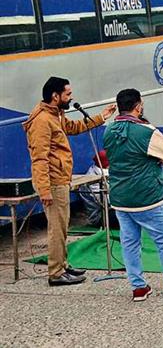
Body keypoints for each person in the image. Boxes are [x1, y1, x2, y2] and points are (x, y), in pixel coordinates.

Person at [103, 88, 163, 302]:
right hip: (147, 196)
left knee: (130, 242)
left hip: (120, 197)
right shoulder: (146, 131)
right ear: (139, 106)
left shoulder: (109, 130)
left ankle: (138, 287)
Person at [23, 77, 116, 286]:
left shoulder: (56, 114)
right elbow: (39, 159)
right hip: (53, 182)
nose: (71, 97)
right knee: (57, 227)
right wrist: (45, 190)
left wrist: (101, 117)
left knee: (63, 226)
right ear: (55, 96)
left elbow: (72, 127)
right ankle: (55, 272)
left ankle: (62, 265)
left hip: (60, 178)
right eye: (67, 94)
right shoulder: (42, 121)